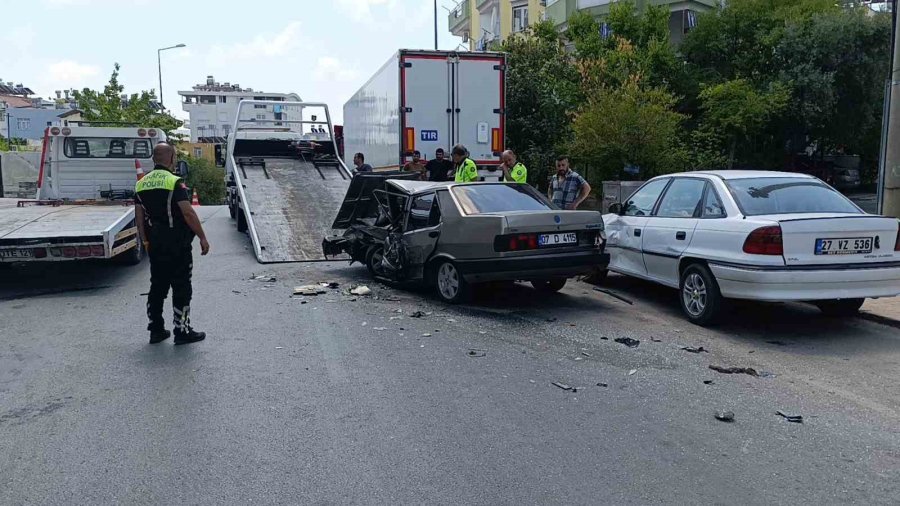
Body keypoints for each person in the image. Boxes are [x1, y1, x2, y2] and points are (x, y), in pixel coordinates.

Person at [135, 143, 210, 345]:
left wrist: (145, 241)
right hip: (177, 242)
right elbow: (188, 212)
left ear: (153, 159)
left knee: (157, 287)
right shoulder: (175, 182)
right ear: (172, 159)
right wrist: (202, 237)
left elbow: (139, 218)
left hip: (156, 243)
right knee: (181, 286)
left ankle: (156, 330)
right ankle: (182, 331)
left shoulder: (141, 184)